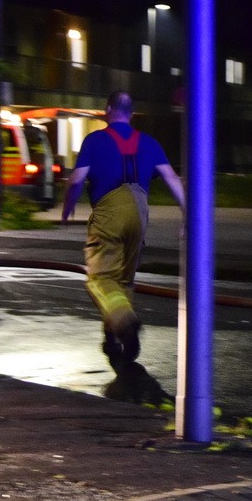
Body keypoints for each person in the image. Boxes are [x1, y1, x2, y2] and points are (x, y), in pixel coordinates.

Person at [61, 91, 185, 371]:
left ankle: (125, 323)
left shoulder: (94, 140)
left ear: (108, 110)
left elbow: (77, 179)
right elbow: (172, 178)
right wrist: (187, 214)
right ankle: (112, 338)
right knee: (124, 281)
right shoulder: (149, 142)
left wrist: (67, 208)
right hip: (140, 214)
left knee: (102, 279)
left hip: (109, 212)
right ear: (131, 113)